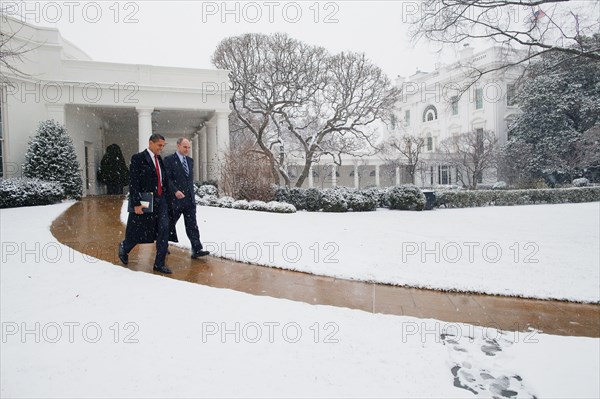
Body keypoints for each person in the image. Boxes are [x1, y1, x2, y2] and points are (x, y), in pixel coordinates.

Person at [118, 134, 178, 274]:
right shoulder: (138, 159)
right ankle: (125, 247)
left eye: (163, 146)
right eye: (159, 145)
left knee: (163, 230)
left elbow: (163, 180)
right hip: (146, 200)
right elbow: (134, 183)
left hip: (161, 201)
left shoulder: (159, 160)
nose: (161, 148)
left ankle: (159, 264)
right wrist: (136, 204)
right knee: (140, 230)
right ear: (151, 143)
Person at [164, 137, 210, 259]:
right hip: (175, 200)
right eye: (185, 147)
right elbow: (166, 179)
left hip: (189, 199)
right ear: (178, 146)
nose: (187, 149)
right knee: (169, 224)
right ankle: (163, 245)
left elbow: (188, 179)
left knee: (192, 224)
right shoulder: (168, 160)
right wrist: (175, 191)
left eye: (189, 147)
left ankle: (197, 249)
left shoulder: (190, 161)